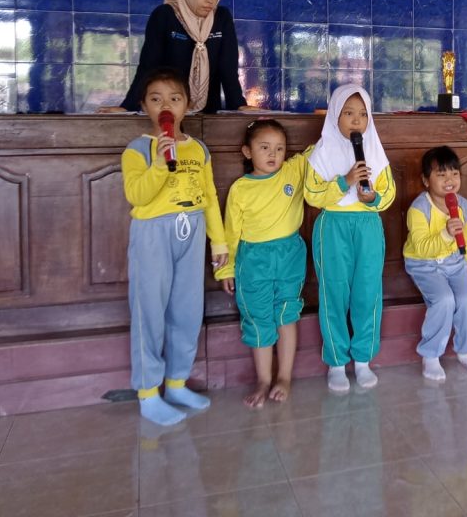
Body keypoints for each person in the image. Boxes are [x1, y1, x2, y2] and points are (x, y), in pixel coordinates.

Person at [120, 67, 227, 426]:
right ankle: (148, 393)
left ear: (187, 105)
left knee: (187, 308)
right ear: (144, 106)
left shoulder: (198, 149)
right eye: (156, 99)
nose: (166, 105)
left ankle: (177, 383)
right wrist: (158, 165)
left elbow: (208, 196)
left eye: (174, 99)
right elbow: (137, 195)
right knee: (149, 309)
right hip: (152, 233)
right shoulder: (137, 149)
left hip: (192, 230)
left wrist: (219, 242)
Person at [304, 84, 396, 392]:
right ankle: (336, 362)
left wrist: (372, 198)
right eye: (348, 113)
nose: (357, 120)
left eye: (363, 114)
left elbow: (388, 194)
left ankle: (363, 360)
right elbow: (312, 194)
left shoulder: (375, 152)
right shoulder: (321, 153)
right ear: (334, 115)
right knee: (334, 293)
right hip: (333, 226)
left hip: (367, 227)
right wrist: (344, 182)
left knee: (367, 292)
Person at [215, 119, 308, 408]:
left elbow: (324, 145)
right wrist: (225, 269)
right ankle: (264, 380)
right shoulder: (241, 189)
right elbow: (230, 233)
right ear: (247, 151)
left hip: (290, 255)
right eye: (264, 147)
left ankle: (284, 377)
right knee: (257, 317)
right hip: (254, 261)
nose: (273, 154)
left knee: (287, 314)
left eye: (279, 148)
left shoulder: (293, 170)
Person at [99, 0, 248, 115]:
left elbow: (228, 68)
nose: (210, 0)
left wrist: (239, 105)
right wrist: (128, 107)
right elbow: (148, 66)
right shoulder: (165, 15)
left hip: (209, 111)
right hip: (169, 110)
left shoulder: (221, 17)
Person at [403, 146, 467, 382]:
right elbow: (421, 248)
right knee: (444, 299)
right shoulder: (419, 209)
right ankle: (430, 355)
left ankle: (466, 350)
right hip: (424, 264)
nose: (449, 180)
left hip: (455, 263)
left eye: (454, 173)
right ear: (425, 180)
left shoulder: (465, 208)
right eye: (441, 175)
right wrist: (446, 235)